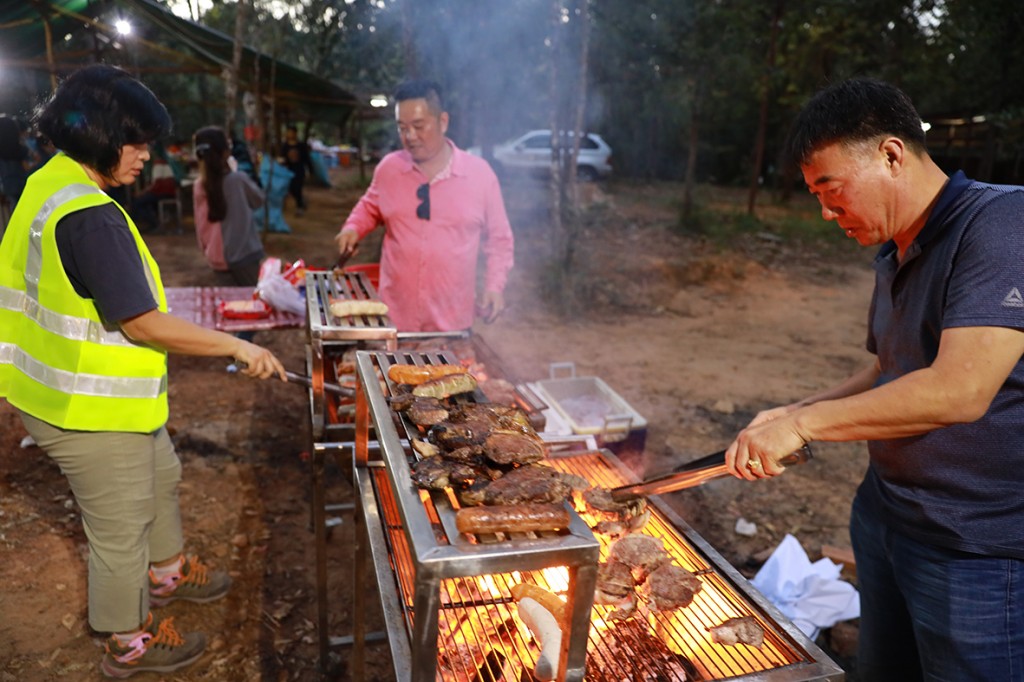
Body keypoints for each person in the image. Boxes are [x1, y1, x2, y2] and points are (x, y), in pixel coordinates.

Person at [723, 78, 1024, 681]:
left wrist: (805, 425)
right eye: (814, 195)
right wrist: (789, 412)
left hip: (975, 548)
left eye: (831, 190)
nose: (826, 212)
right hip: (885, 516)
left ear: (891, 154)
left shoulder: (1000, 222)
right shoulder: (894, 250)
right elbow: (890, 368)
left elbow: (960, 390)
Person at [0, 64, 287, 678]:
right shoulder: (88, 216)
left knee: (160, 473)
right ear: (102, 136)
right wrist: (237, 347)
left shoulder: (49, 180)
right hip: (85, 408)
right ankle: (127, 641)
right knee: (120, 529)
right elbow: (143, 324)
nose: (145, 156)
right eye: (136, 142)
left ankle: (169, 574)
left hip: (78, 396)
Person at [334, 79, 514, 332]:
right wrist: (353, 228)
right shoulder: (389, 169)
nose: (410, 137)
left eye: (419, 126)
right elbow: (369, 205)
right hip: (394, 321)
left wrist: (495, 287)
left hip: (452, 327)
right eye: (402, 128)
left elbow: (500, 240)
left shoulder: (480, 175)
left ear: (443, 122)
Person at [192, 126, 266, 287]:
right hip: (245, 255)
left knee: (230, 304)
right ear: (226, 152)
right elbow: (259, 200)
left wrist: (205, 248)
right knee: (253, 301)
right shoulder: (238, 179)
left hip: (216, 257)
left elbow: (199, 222)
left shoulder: (199, 185)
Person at [278, 124, 311, 215]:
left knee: (298, 188)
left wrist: (310, 170)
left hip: (299, 170)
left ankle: (299, 207)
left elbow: (306, 159)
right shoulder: (285, 146)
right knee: (291, 188)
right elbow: (282, 157)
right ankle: (301, 202)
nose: (290, 134)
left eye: (292, 132)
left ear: (295, 134)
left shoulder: (301, 146)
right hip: (288, 171)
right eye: (288, 132)